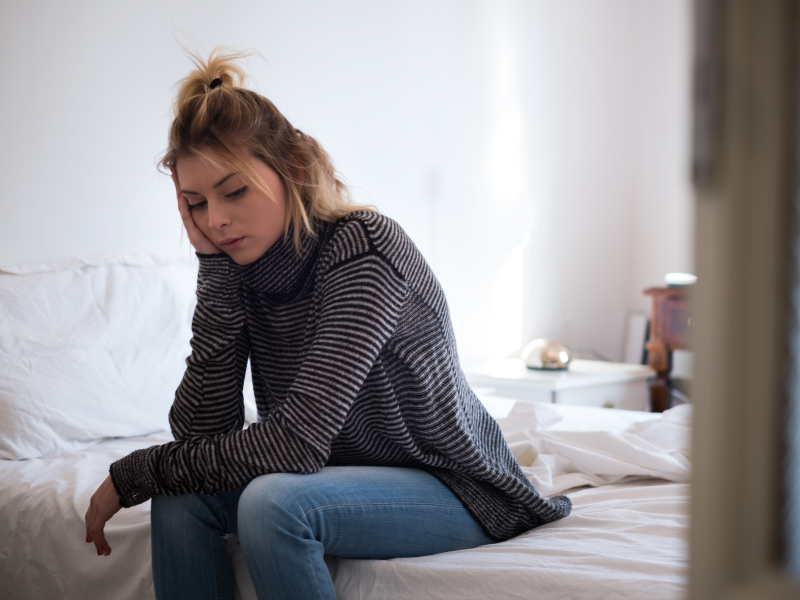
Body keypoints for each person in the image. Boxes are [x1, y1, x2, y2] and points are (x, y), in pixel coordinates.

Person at [83, 48, 571, 600]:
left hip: (456, 486)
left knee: (273, 504)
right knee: (178, 499)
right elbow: (202, 437)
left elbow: (296, 445)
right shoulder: (238, 269)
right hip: (335, 481)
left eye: (234, 191)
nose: (215, 220)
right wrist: (216, 272)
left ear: (291, 170)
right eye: (195, 204)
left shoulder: (365, 249)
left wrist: (135, 472)